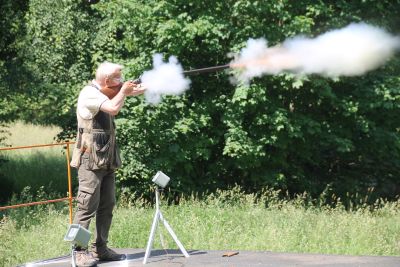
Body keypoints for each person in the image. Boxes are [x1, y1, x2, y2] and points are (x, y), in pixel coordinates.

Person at [70, 61, 145, 267]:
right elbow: (112, 108)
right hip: (90, 159)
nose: (121, 81)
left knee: (107, 205)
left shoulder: (107, 91)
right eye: (118, 79)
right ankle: (79, 251)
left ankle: (100, 248)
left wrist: (149, 85)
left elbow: (125, 94)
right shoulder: (89, 93)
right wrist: (124, 91)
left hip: (107, 158)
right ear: (106, 81)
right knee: (86, 206)